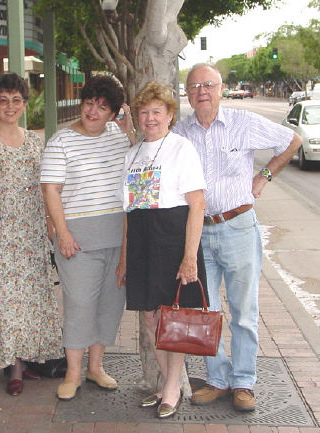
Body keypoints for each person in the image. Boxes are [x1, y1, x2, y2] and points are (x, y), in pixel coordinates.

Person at [173, 63, 302, 412]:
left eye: (208, 85)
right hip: (198, 232)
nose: (201, 91)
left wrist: (264, 176)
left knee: (244, 311)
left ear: (221, 88)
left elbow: (292, 141)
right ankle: (217, 379)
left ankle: (244, 381)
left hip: (239, 227)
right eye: (195, 85)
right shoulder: (180, 133)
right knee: (206, 309)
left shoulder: (243, 123)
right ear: (187, 93)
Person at [0, 73, 63, 396]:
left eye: (16, 100)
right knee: (5, 299)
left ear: (23, 104)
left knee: (30, 299)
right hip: (0, 232)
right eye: (4, 100)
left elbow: (46, 188)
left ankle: (25, 358)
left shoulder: (35, 141)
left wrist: (51, 228)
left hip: (31, 231)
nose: (10, 106)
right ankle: (14, 368)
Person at [116, 82, 207, 419]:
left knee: (174, 316)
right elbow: (129, 211)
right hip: (141, 239)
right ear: (137, 117)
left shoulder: (182, 149)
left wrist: (189, 257)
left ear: (170, 115)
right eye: (144, 112)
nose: (150, 117)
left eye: (157, 111)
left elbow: (197, 205)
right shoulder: (132, 153)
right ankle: (167, 384)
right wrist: (125, 258)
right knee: (150, 316)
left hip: (172, 238)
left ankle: (171, 387)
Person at [40, 75, 134, 401]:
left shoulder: (119, 137)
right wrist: (62, 232)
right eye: (89, 103)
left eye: (102, 106)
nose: (93, 111)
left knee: (110, 304)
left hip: (116, 234)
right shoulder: (61, 141)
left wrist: (129, 121)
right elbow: (50, 189)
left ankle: (96, 367)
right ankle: (73, 373)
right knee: (80, 304)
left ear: (113, 113)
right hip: (77, 237)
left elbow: (136, 168)